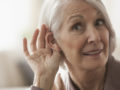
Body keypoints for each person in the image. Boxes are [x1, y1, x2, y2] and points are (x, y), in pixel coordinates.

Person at [23, 0, 120, 90]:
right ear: (53, 41)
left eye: (99, 22)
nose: (95, 37)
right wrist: (42, 79)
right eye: (77, 26)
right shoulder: (51, 87)